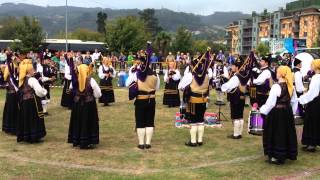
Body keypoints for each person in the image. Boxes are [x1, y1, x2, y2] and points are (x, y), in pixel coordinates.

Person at [260, 66, 298, 165]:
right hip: (287, 112)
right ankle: (284, 154)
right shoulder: (291, 86)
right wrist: (292, 113)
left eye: (277, 72)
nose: (276, 73)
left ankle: (277, 156)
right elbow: (294, 102)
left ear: (281, 74)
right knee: (286, 132)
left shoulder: (276, 86)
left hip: (277, 113)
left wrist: (262, 110)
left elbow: (271, 103)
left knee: (277, 133)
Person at [126, 46, 160, 150]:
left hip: (140, 100)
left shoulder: (136, 73)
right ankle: (148, 143)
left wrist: (131, 73)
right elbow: (157, 87)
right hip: (151, 99)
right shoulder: (155, 74)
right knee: (150, 121)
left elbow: (127, 84)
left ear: (141, 63)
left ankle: (141, 143)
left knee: (140, 121)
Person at [178, 52, 213, 147]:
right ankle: (200, 140)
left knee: (193, 121)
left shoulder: (190, 75)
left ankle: (193, 141)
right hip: (203, 100)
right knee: (200, 120)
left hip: (193, 101)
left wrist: (186, 88)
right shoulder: (207, 75)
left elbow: (180, 86)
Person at [68, 64, 102, 149]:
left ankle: (78, 140)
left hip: (77, 105)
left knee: (78, 121)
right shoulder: (91, 80)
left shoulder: (75, 81)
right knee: (88, 121)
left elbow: (71, 90)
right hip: (89, 104)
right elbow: (98, 93)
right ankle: (87, 141)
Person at [17, 59, 47, 143]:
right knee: (33, 118)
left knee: (26, 118)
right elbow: (39, 91)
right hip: (32, 102)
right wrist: (45, 92)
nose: (33, 70)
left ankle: (27, 136)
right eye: (32, 69)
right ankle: (34, 137)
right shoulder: (32, 80)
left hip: (24, 102)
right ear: (29, 70)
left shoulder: (22, 80)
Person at [298, 60, 320, 152]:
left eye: (312, 64)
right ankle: (310, 143)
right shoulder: (315, 77)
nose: (310, 66)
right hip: (315, 101)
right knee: (311, 121)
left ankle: (312, 144)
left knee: (312, 121)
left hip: (314, 102)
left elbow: (312, 93)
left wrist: (301, 99)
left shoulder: (316, 77)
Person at [221, 58, 246, 139]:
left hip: (236, 98)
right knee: (240, 115)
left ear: (237, 67)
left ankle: (236, 134)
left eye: (233, 66)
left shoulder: (236, 76)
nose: (232, 67)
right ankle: (239, 133)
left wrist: (222, 86)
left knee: (235, 115)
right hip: (242, 97)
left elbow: (228, 86)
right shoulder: (244, 75)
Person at [2, 54, 19, 135]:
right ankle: (11, 127)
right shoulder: (9, 67)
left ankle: (13, 127)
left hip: (14, 91)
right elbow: (5, 78)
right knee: (11, 109)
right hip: (12, 91)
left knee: (13, 109)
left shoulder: (16, 67)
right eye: (14, 59)